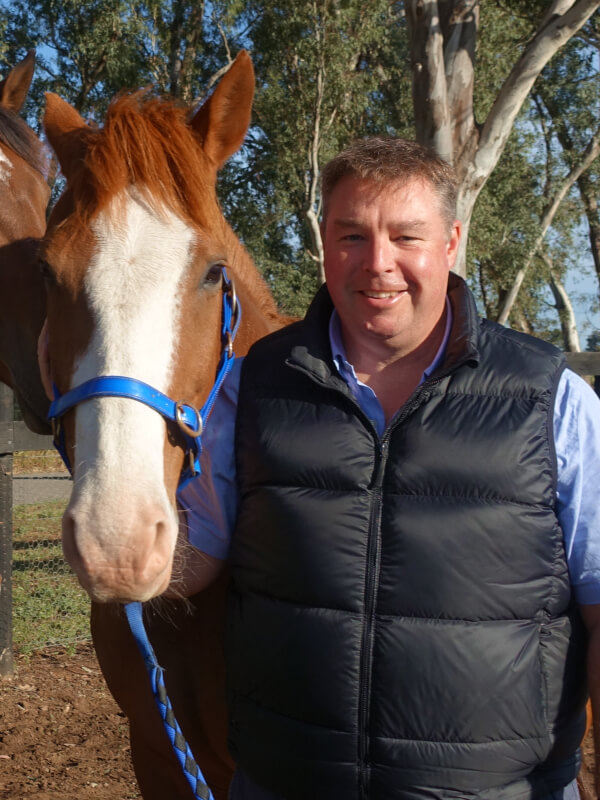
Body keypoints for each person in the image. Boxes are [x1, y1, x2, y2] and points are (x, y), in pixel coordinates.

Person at [176, 137, 600, 800]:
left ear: (452, 241)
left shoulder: (552, 401)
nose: (378, 265)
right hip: (285, 783)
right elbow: (194, 552)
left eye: (406, 236)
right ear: (323, 242)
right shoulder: (250, 388)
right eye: (352, 236)